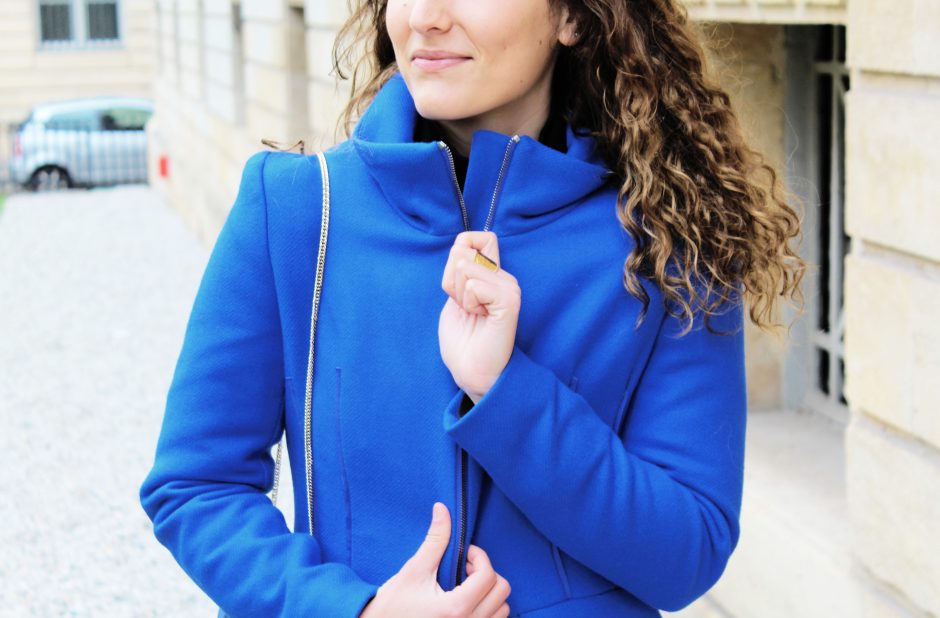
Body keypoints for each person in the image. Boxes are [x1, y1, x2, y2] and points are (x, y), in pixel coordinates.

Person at [139, 0, 806, 616]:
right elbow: (196, 487)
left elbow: (687, 553)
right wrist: (352, 610)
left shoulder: (670, 238)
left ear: (573, 17)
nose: (426, 17)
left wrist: (506, 392)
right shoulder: (296, 210)